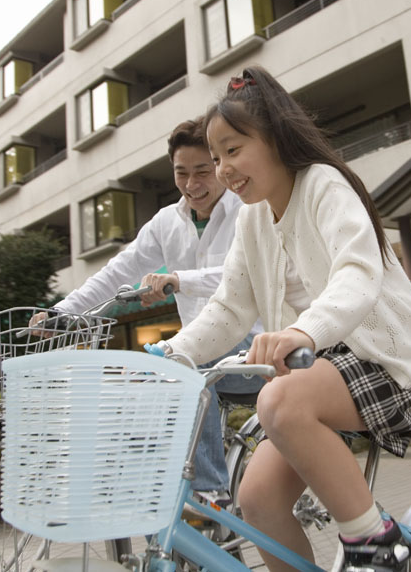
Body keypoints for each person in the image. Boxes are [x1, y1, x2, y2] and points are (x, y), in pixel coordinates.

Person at [147, 67, 411, 572]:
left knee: (276, 398)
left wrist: (303, 330)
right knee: (257, 500)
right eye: (215, 158)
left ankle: (376, 541)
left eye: (233, 151)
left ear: (277, 139)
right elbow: (230, 306)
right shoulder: (253, 217)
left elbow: (357, 272)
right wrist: (173, 351)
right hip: (316, 370)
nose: (222, 170)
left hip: (385, 358)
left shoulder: (324, 185)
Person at [36, 116, 263, 506]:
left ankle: (210, 498)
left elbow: (244, 274)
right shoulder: (165, 223)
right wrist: (62, 312)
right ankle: (157, 492)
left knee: (179, 362)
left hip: (254, 349)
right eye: (181, 173)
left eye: (203, 172)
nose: (192, 185)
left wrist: (180, 278)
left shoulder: (248, 209)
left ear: (220, 166)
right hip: (198, 353)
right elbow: (116, 272)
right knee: (140, 377)